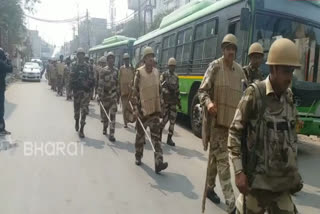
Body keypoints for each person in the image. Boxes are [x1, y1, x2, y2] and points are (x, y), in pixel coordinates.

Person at [228, 38, 303, 214]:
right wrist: (239, 173)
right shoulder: (255, 95)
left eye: (292, 72)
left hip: (282, 185)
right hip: (257, 185)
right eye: (286, 71)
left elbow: (291, 137)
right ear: (273, 69)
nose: (289, 78)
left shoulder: (288, 97)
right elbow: (234, 133)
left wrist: (294, 173)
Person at [198, 34, 244, 214]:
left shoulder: (240, 72)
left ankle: (209, 188)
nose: (230, 51)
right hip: (216, 125)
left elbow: (245, 98)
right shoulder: (215, 67)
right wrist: (208, 104)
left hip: (232, 127)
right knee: (224, 163)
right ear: (223, 50)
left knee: (215, 160)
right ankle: (232, 205)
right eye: (227, 48)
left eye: (233, 49)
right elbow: (202, 91)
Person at [132, 46, 168, 173]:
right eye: (149, 57)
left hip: (154, 111)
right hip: (142, 112)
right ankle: (138, 156)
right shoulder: (139, 73)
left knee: (156, 138)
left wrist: (162, 108)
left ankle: (159, 163)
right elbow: (134, 92)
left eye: (153, 57)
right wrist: (136, 109)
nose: (152, 59)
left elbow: (160, 92)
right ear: (144, 59)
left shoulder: (157, 72)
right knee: (140, 136)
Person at [70, 48, 94, 138]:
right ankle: (76, 121)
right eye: (79, 54)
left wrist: (87, 84)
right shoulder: (74, 66)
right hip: (76, 92)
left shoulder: (88, 67)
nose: (81, 56)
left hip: (85, 93)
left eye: (82, 54)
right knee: (77, 112)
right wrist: (77, 81)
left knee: (84, 111)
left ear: (84, 56)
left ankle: (82, 129)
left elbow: (92, 79)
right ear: (77, 56)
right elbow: (71, 78)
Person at [97, 52, 119, 142]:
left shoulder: (116, 71)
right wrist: (99, 95)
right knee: (105, 116)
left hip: (113, 96)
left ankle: (112, 134)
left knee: (113, 116)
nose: (111, 60)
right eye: (109, 58)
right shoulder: (103, 71)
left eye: (112, 58)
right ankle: (105, 127)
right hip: (105, 96)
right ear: (107, 60)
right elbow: (100, 84)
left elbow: (118, 84)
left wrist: (118, 95)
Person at [159, 57, 181, 146]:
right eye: (171, 66)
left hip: (173, 102)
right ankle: (159, 134)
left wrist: (179, 102)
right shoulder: (164, 75)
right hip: (166, 102)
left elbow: (177, 90)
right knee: (164, 120)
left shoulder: (176, 77)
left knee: (172, 121)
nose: (172, 67)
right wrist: (166, 92)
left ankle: (169, 138)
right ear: (168, 66)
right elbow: (160, 87)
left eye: (173, 66)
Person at [119, 53, 135, 128]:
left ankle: (129, 119)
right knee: (124, 108)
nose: (126, 61)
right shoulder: (121, 69)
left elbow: (135, 80)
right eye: (125, 59)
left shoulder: (132, 69)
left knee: (131, 108)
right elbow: (119, 80)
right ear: (123, 60)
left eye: (127, 59)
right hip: (123, 92)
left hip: (131, 92)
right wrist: (119, 91)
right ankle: (125, 122)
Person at [0, 48, 13, 135]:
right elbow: (10, 69)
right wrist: (8, 60)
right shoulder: (1, 63)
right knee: (1, 110)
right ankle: (1, 129)